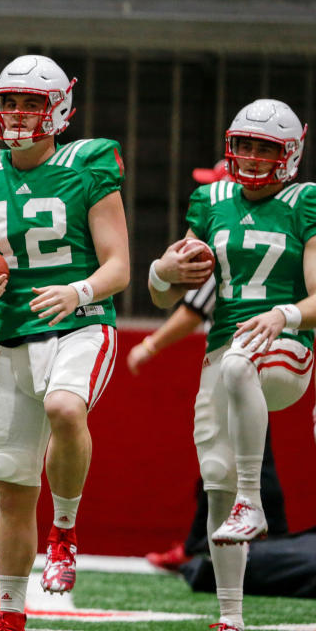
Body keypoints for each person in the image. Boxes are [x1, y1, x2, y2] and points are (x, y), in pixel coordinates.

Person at [0, 55, 129, 631]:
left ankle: (67, 531)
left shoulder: (87, 162)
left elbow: (119, 267)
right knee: (12, 486)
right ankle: (9, 622)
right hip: (12, 338)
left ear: (60, 109)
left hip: (82, 325)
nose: (19, 115)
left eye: (31, 102)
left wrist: (77, 291)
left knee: (65, 410)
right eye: (10, 102)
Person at [148, 98, 316, 631]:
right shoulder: (210, 199)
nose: (253, 157)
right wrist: (164, 270)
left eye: (266, 148)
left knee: (239, 362)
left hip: (284, 346)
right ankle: (230, 621)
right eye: (246, 145)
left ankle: (252, 501)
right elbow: (164, 295)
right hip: (223, 355)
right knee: (214, 480)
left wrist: (285, 314)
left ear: (291, 154)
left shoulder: (310, 203)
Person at [132, 164, 288, 572]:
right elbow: (176, 297)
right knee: (229, 459)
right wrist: (161, 272)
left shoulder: (232, 237)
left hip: (254, 350)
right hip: (242, 351)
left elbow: (192, 309)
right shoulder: (218, 228)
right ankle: (255, 544)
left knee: (231, 460)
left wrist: (149, 345)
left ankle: (263, 544)